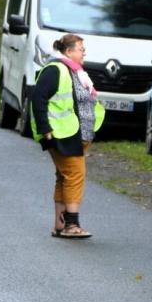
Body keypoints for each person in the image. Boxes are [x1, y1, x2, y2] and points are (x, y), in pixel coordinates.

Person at [31, 34, 105, 239]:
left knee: (64, 177)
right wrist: (45, 128)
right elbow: (38, 97)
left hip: (73, 133)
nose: (84, 52)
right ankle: (71, 225)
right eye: (81, 48)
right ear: (69, 51)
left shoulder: (76, 72)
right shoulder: (55, 69)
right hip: (61, 133)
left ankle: (59, 224)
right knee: (75, 175)